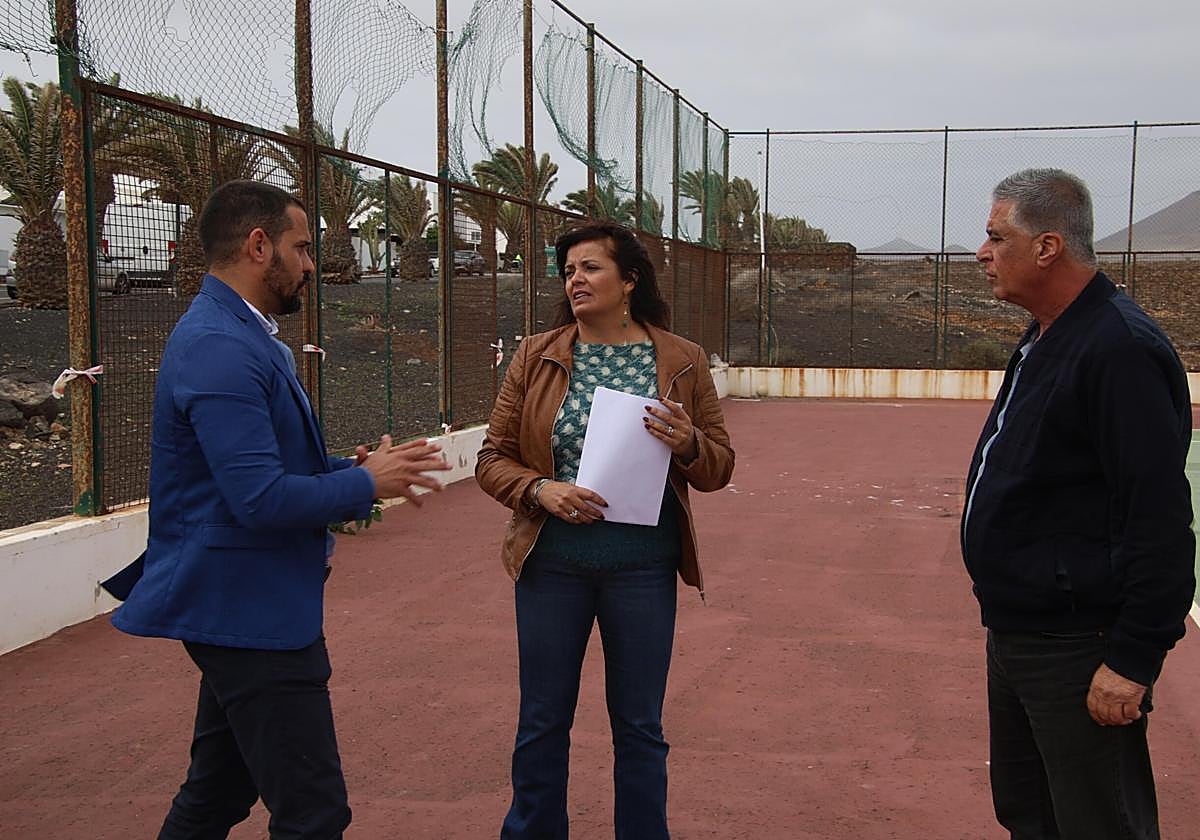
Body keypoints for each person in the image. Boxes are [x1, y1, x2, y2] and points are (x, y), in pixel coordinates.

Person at [102, 179, 451, 839]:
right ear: (259, 246)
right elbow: (258, 498)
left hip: (241, 605)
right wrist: (363, 486)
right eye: (301, 246)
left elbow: (262, 471)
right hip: (247, 611)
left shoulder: (243, 334)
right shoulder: (220, 344)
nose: (312, 263)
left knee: (218, 792)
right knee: (314, 813)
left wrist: (354, 473)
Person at [476, 221, 735, 839]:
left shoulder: (681, 359)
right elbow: (492, 458)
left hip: (642, 566)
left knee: (640, 725)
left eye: (590, 267)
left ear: (629, 281)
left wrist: (689, 442)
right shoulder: (537, 354)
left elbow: (719, 465)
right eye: (568, 271)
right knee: (542, 719)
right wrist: (543, 489)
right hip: (551, 563)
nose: (576, 280)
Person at [962, 168, 1195, 839]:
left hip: (1077, 643)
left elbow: (1158, 519)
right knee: (1032, 815)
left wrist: (1131, 661)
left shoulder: (1117, 349)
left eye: (995, 236)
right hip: (1020, 631)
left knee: (1098, 823)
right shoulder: (1046, 334)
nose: (982, 252)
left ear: (1048, 247)